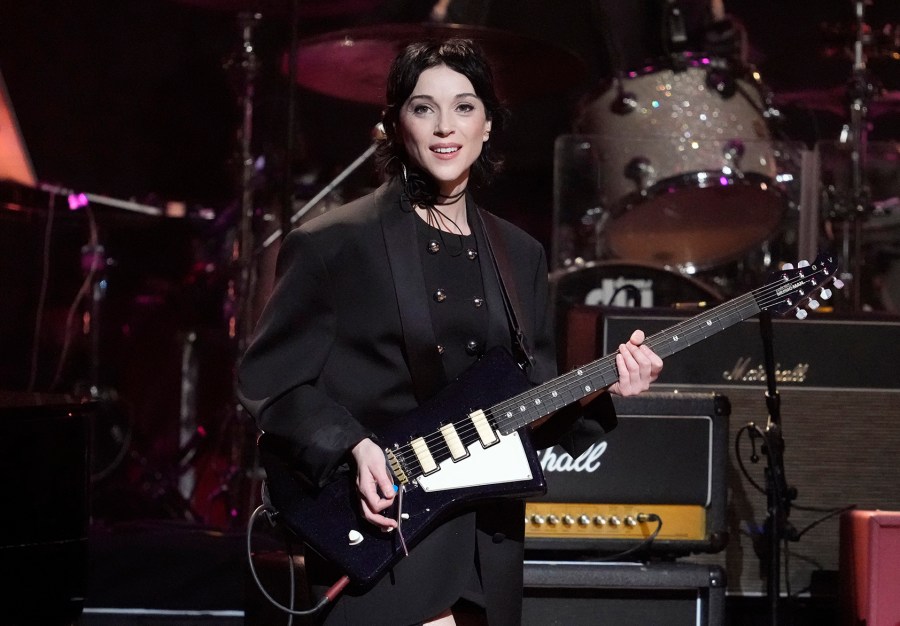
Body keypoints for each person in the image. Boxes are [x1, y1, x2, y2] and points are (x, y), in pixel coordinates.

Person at [236, 38, 663, 626]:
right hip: (384, 524)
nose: (444, 127)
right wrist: (353, 445)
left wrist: (603, 384)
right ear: (394, 123)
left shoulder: (521, 254)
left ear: (488, 125)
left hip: (487, 534)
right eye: (422, 107)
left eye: (464, 107)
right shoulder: (335, 243)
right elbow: (272, 383)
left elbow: (526, 403)